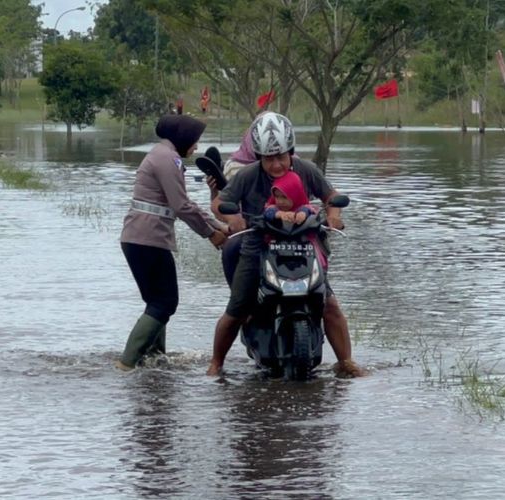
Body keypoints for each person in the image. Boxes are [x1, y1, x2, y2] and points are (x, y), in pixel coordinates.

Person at [205, 111, 364, 377]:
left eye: (281, 156)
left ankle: (346, 361)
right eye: (269, 158)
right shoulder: (247, 175)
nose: (276, 164)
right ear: (259, 157)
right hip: (257, 243)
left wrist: (334, 216)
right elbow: (219, 203)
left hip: (303, 243)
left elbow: (331, 195)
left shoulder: (306, 170)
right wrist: (234, 219)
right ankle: (216, 364)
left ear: (291, 151)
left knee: (329, 304)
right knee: (237, 308)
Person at [117, 114, 228, 371]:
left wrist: (218, 225)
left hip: (139, 239)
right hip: (148, 240)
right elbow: (181, 206)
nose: (196, 147)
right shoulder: (169, 159)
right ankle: (127, 363)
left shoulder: (161, 154)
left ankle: (154, 360)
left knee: (156, 302)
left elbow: (183, 205)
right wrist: (211, 234)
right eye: (195, 141)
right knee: (165, 303)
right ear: (183, 138)